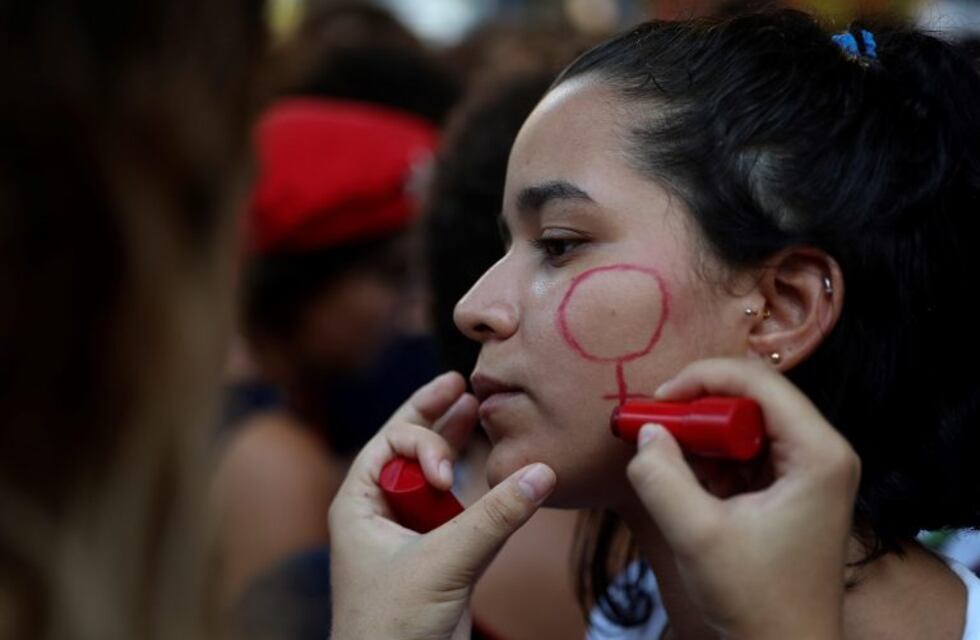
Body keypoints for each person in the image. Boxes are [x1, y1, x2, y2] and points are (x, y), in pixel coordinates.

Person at [329, 9, 980, 640]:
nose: (474, 307)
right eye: (506, 246)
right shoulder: (633, 618)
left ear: (781, 308)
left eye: (558, 244)